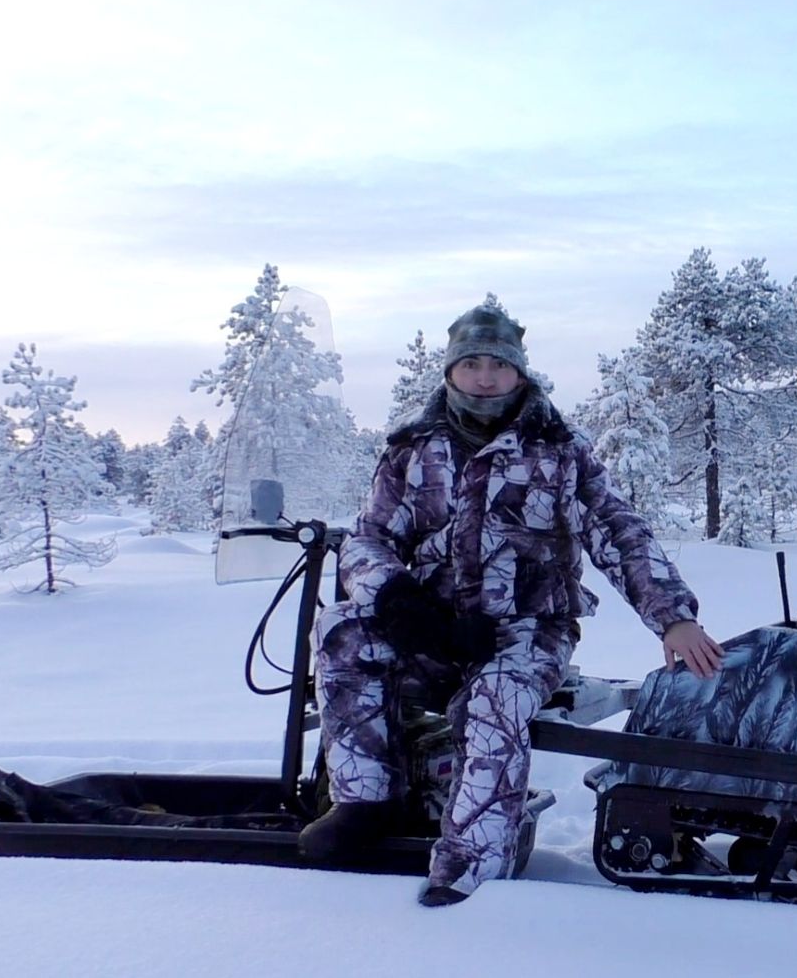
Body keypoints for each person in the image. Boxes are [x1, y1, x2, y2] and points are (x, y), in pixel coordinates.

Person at [302, 302, 724, 907]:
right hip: (433, 626)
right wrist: (400, 602)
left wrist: (673, 617)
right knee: (341, 629)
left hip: (526, 631)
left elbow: (617, 530)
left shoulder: (558, 449)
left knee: (493, 700)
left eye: (497, 364)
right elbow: (369, 538)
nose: (484, 377)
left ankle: (472, 867)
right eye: (470, 363)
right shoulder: (410, 449)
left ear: (519, 371)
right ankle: (366, 802)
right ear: (450, 370)